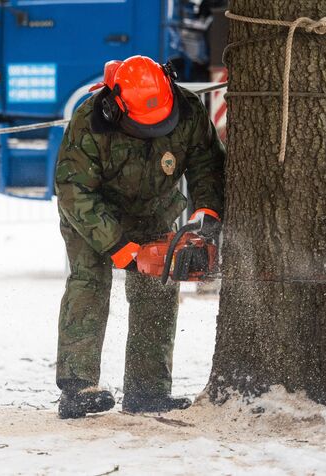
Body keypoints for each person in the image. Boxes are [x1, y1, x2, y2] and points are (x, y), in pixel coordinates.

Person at [54, 55, 225, 418]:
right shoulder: (90, 120)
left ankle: (147, 390)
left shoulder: (188, 109)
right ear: (117, 108)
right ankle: (77, 387)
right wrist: (124, 251)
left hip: (153, 208)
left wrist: (205, 217)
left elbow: (207, 163)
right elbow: (73, 189)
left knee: (159, 286)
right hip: (92, 213)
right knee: (89, 281)